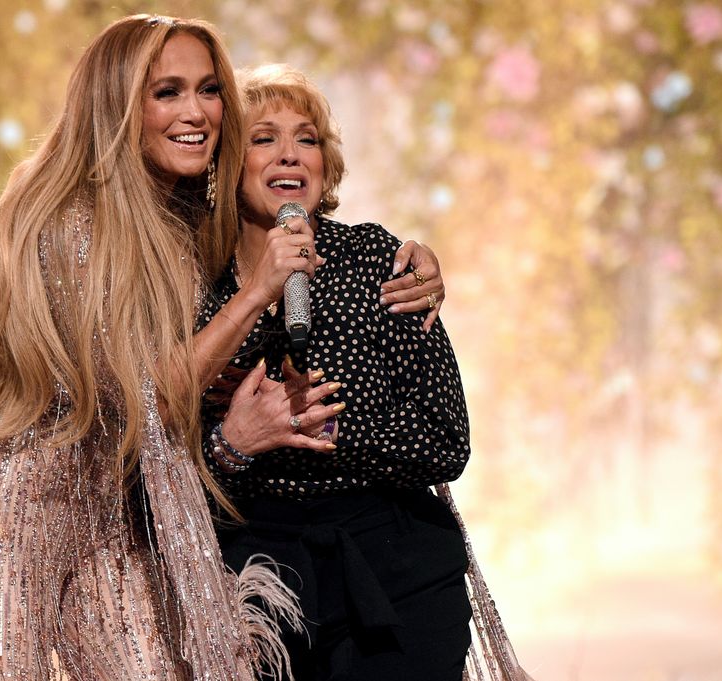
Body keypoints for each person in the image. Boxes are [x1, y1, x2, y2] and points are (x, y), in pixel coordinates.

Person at [0, 14, 449, 681]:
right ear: (118, 103)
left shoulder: (192, 216)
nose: (195, 111)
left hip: (121, 519)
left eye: (207, 89)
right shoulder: (65, 218)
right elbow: (139, 396)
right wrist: (256, 293)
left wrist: (412, 262)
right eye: (166, 92)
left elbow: (284, 218)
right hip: (7, 516)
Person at [199, 64, 529, 681]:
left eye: (308, 137)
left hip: (396, 571)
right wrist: (235, 446)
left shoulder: (381, 260)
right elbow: (155, 464)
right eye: (264, 137)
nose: (290, 153)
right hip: (253, 585)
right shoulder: (190, 288)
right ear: (227, 161)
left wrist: (330, 434)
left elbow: (444, 439)